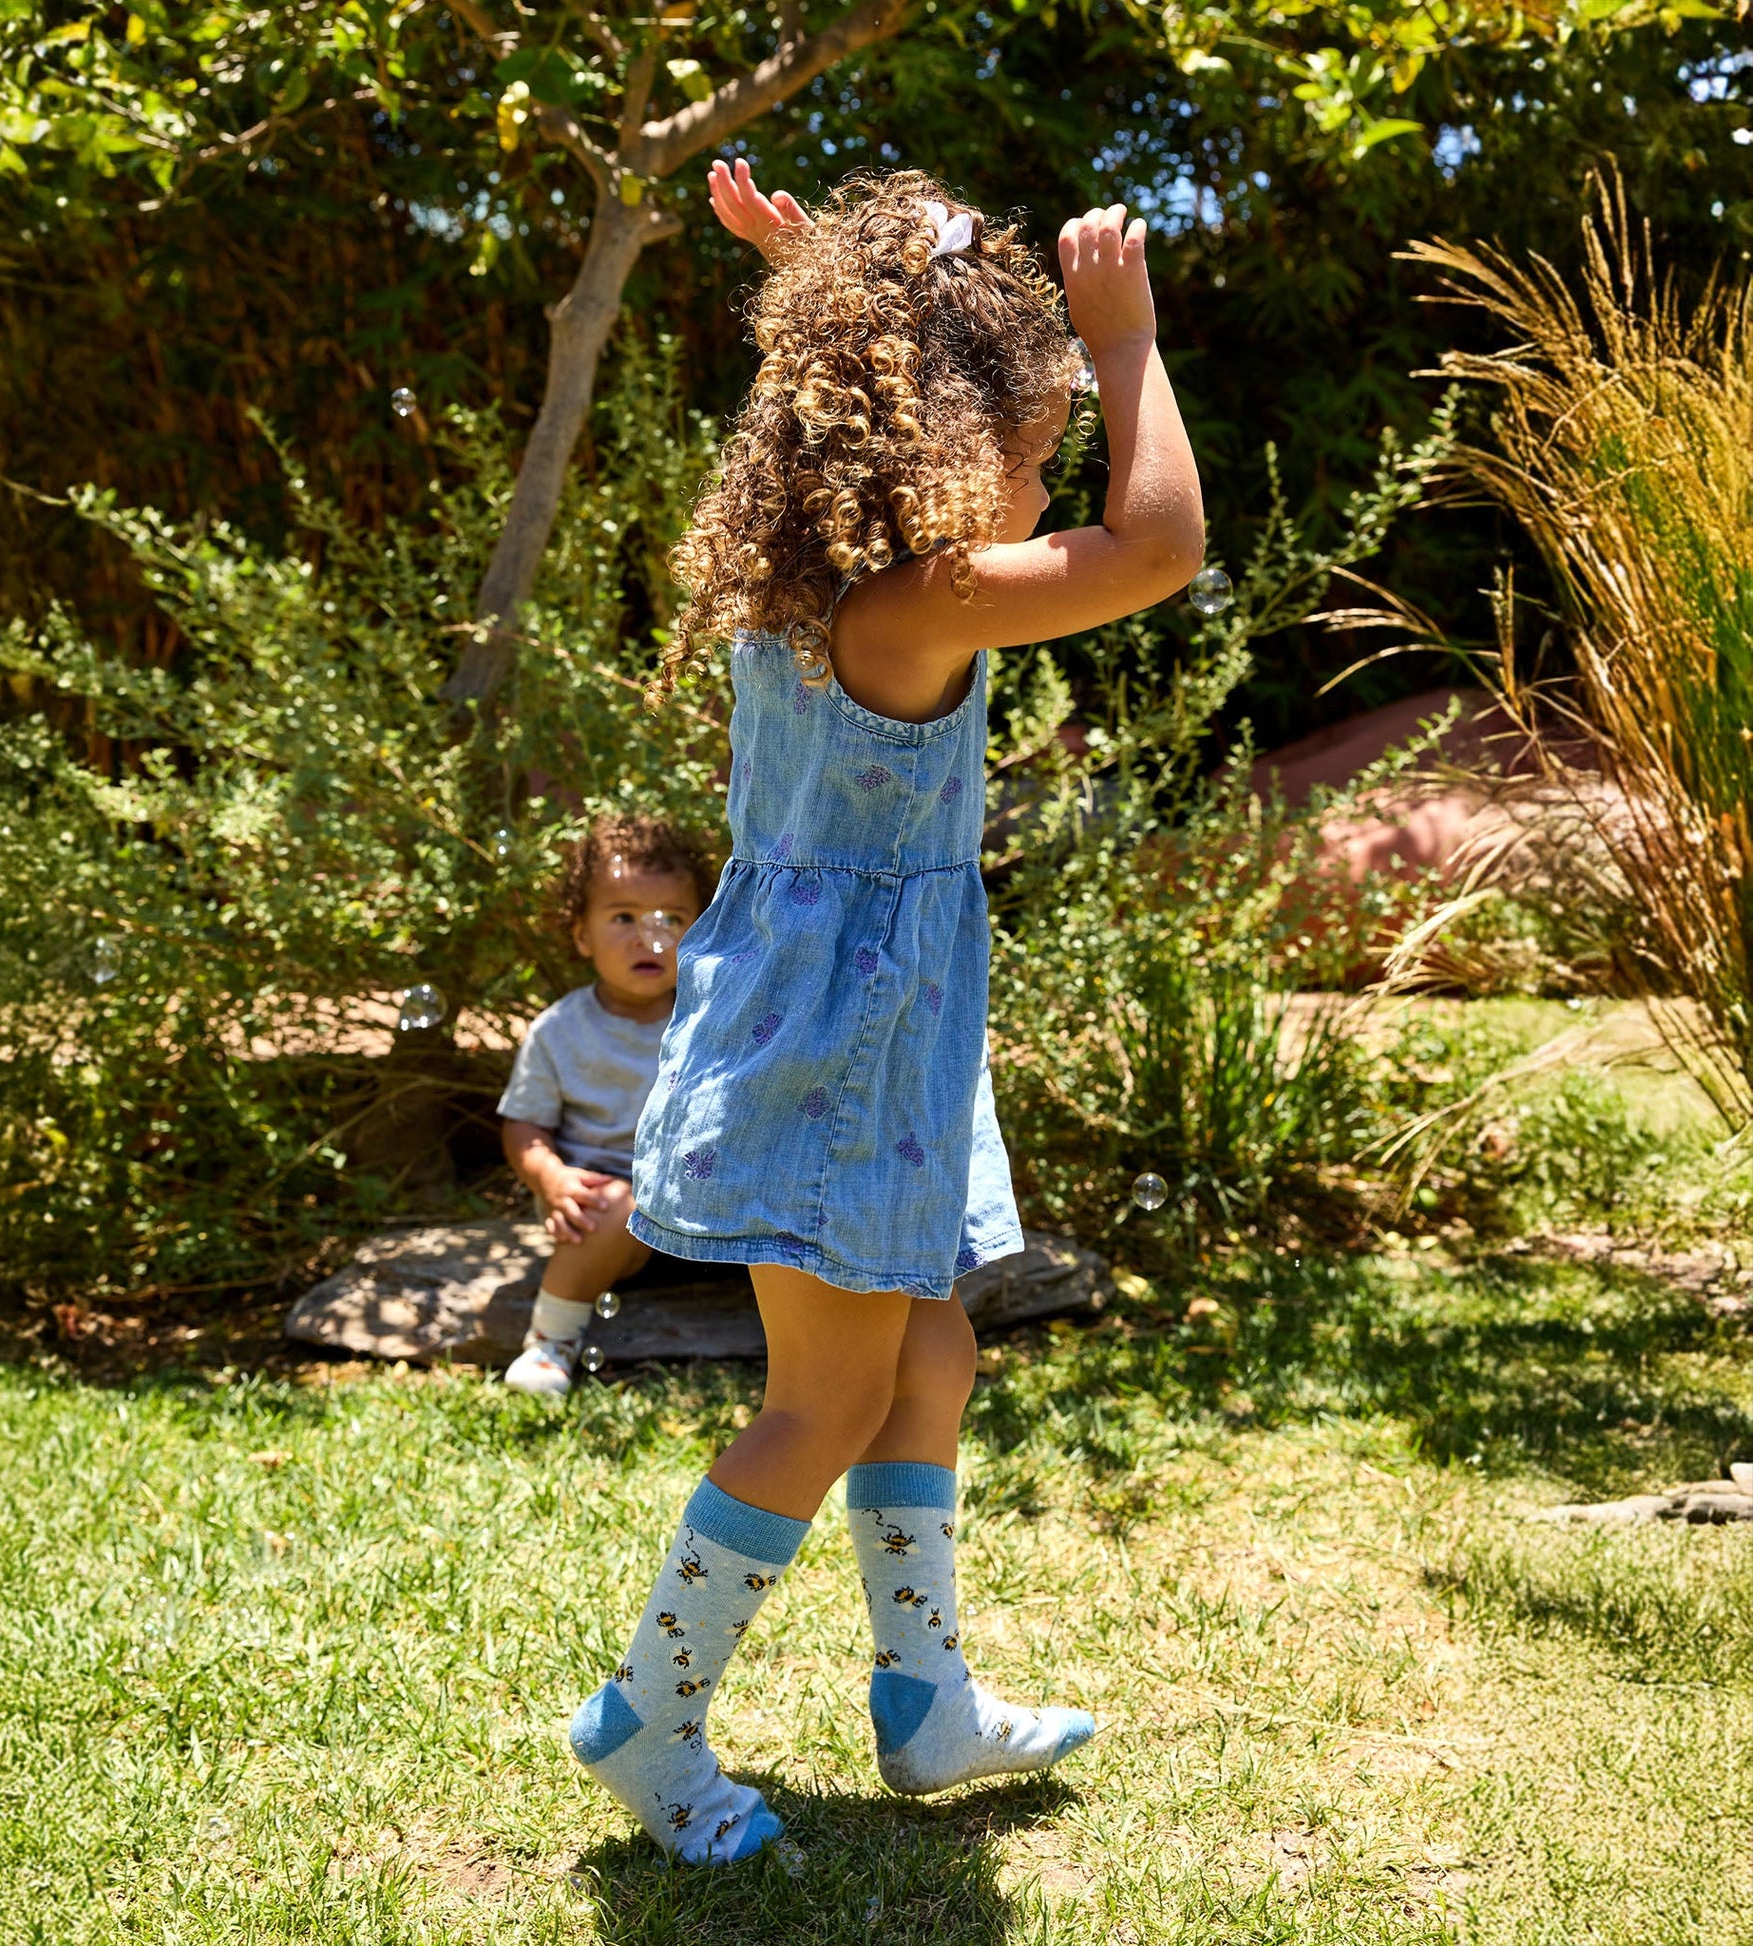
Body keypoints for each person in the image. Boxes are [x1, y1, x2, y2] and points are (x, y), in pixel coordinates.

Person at [567, 163, 1204, 1864]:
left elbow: (853, 385)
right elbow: (1160, 547)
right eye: (1038, 443)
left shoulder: (823, 577)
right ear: (935, 434)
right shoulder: (919, 602)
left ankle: (924, 1701)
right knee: (826, 1398)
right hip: (844, 1052)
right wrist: (1124, 343)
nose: (1048, 475)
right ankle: (646, 1718)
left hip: (852, 1032)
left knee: (929, 1347)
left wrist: (822, 275)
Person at [497, 815, 711, 1397]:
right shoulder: (561, 1030)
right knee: (618, 1206)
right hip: (600, 1209)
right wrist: (552, 1178)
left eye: (671, 918)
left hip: (706, 1212)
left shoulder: (715, 1019)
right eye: (622, 918)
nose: (648, 936)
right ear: (582, 935)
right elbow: (524, 1124)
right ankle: (550, 1342)